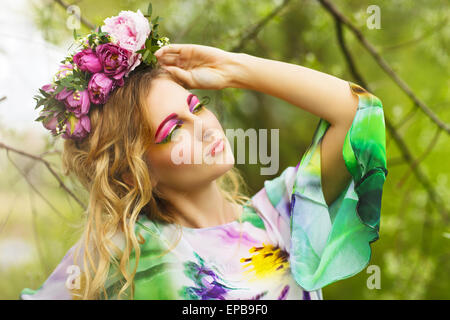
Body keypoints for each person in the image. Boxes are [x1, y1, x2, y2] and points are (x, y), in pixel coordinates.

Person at [20, 8, 388, 300]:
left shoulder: (281, 215)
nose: (204, 126)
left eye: (196, 107)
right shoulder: (122, 257)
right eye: (173, 128)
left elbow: (359, 114)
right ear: (134, 169)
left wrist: (234, 68)